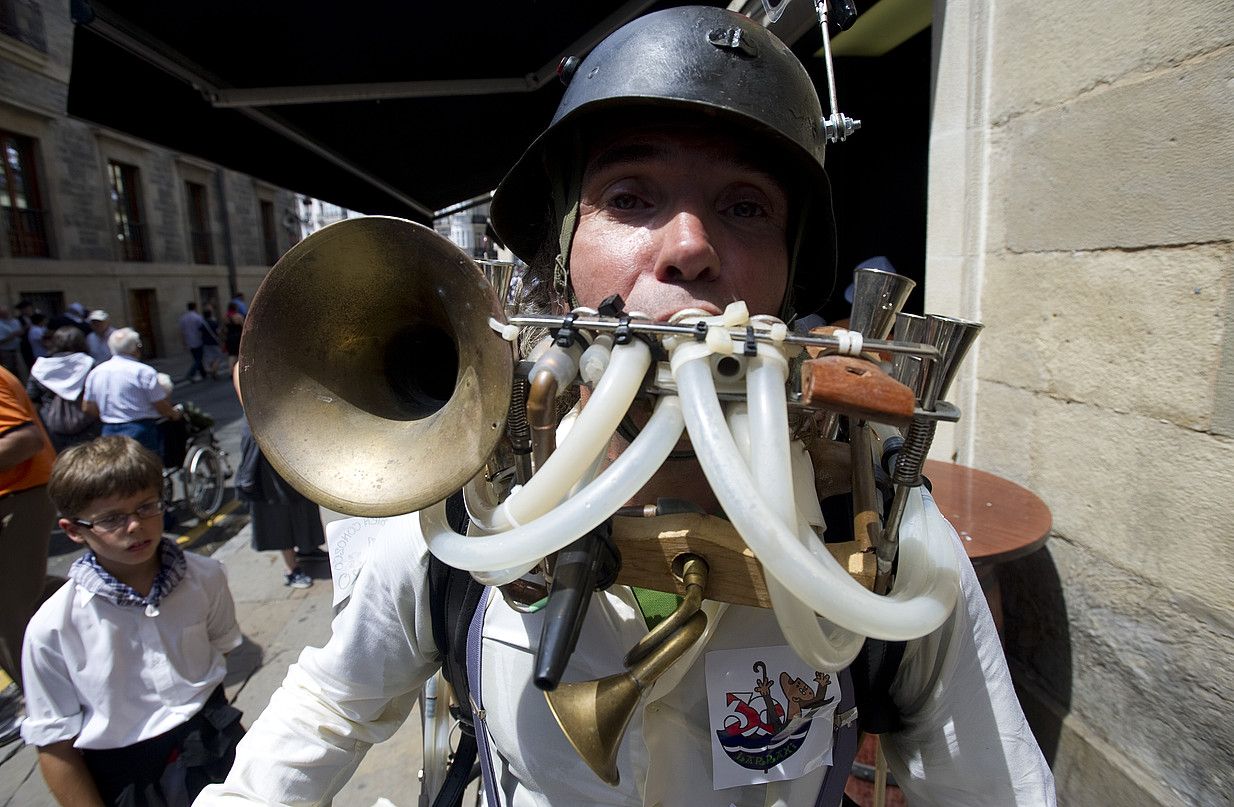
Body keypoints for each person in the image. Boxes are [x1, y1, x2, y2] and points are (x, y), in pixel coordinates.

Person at [199, 8, 1055, 806]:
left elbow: (992, 784)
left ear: (788, 273)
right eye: (632, 196)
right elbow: (332, 704)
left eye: (745, 206)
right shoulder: (473, 502)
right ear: (564, 250)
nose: (689, 247)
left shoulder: (876, 530)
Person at [20, 436, 244, 806]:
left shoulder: (206, 577)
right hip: (131, 779)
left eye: (146, 507)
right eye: (111, 519)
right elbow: (55, 744)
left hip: (214, 743)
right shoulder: (52, 628)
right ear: (74, 530)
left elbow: (220, 645)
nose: (135, 526)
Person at [0, 363, 57, 745]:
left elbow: (24, 439)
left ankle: (45, 708)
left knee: (8, 609)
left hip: (18, 497)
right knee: (29, 590)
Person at [231, 365, 324, 589]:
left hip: (290, 436)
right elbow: (254, 406)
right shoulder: (243, 365)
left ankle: (307, 547)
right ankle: (290, 568)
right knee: (278, 507)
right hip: (268, 441)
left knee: (303, 497)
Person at [83, 328, 182, 455]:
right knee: (146, 469)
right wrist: (173, 414)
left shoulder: (96, 372)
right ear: (136, 348)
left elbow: (87, 407)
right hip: (140, 428)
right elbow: (160, 404)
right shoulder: (143, 371)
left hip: (109, 429)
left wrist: (109, 414)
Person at [27, 327, 102, 451]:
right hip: (88, 425)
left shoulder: (40, 368)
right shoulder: (90, 364)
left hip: (52, 427)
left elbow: (32, 399)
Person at [179, 302, 208, 383]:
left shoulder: (183, 318)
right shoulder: (198, 317)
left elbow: (182, 331)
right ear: (195, 307)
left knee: (196, 358)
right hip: (198, 340)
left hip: (189, 341)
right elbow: (203, 328)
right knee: (198, 358)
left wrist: (184, 342)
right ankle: (191, 373)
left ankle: (203, 373)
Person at [0, 305, 26, 381]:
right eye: (3, 313)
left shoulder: (15, 321)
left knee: (21, 370)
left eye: (6, 312)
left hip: (17, 349)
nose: (6, 314)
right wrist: (12, 336)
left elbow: (21, 332)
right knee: (10, 370)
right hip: (6, 351)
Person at [200, 306, 225, 380]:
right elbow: (218, 332)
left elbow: (200, 333)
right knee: (219, 356)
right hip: (214, 342)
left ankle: (214, 371)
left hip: (206, 343)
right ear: (210, 314)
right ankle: (214, 370)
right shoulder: (213, 322)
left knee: (210, 357)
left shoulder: (203, 324)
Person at [221, 303, 244, 372]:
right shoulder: (239, 316)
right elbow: (244, 327)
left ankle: (231, 371)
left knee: (231, 355)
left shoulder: (225, 317)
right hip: (238, 338)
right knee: (239, 355)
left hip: (230, 338)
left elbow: (224, 329)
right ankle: (238, 371)